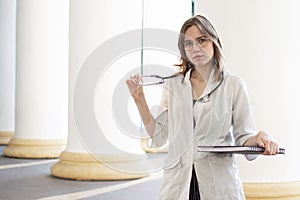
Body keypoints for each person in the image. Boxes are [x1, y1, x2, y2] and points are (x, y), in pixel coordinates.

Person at [126, 14, 279, 200]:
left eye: (202, 40)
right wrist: (139, 99)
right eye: (188, 44)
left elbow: (243, 137)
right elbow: (159, 137)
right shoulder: (173, 85)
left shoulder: (233, 85)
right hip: (178, 184)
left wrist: (261, 137)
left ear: (214, 42)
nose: (195, 48)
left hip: (218, 183)